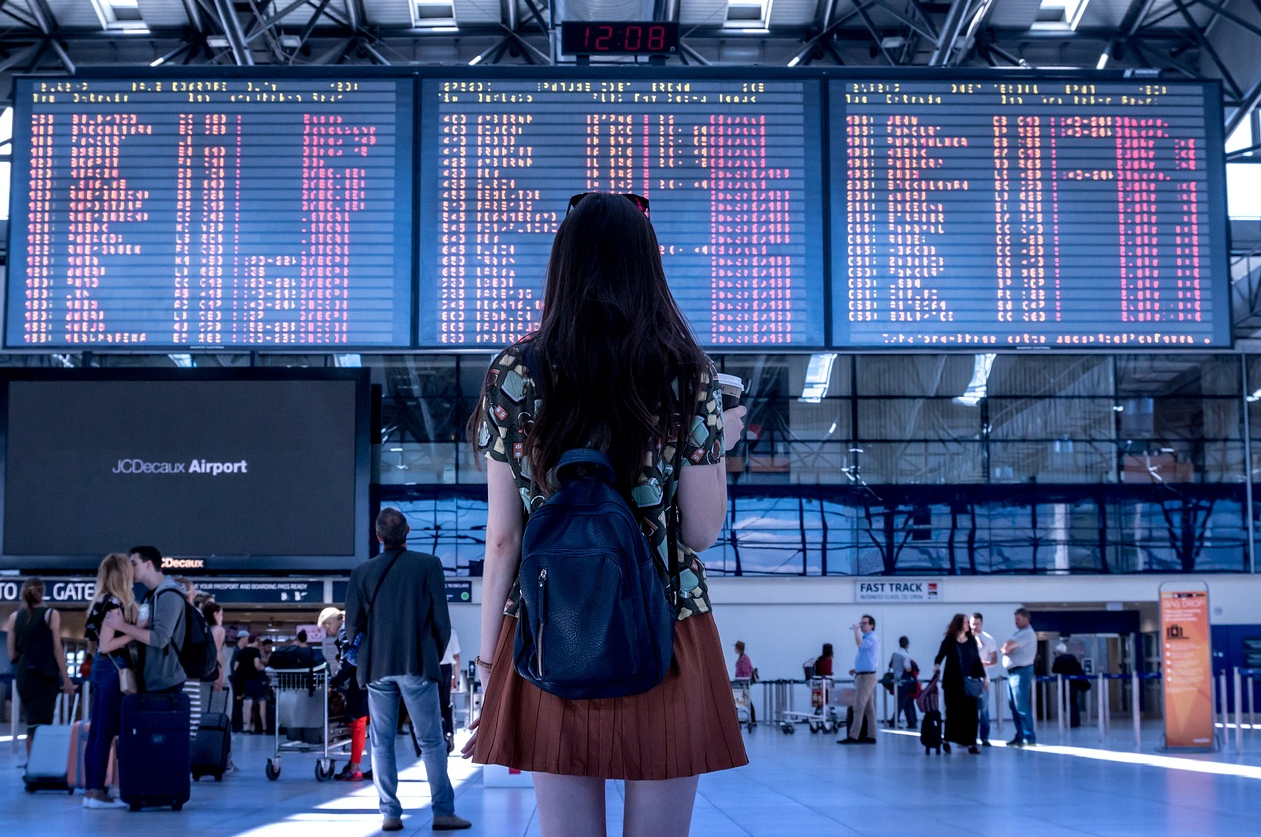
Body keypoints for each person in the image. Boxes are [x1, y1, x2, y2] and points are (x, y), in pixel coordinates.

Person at [464, 191, 749, 837]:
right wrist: (715, 445)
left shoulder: (515, 370)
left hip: (549, 623)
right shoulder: (687, 373)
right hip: (666, 626)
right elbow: (701, 532)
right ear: (647, 265)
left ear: (562, 264)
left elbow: (504, 537)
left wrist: (488, 662)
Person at [346, 508, 470, 832]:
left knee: (381, 742)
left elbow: (351, 628)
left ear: (378, 536)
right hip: (417, 662)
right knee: (431, 741)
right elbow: (442, 622)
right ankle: (443, 812)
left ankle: (390, 814)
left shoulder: (362, 572)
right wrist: (431, 653)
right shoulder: (428, 565)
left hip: (376, 668)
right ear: (408, 531)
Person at [81, 552, 137, 808]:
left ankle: (91, 789)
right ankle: (98, 792)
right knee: (105, 732)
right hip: (114, 668)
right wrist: (135, 633)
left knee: (95, 731)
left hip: (99, 670)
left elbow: (95, 646)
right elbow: (106, 644)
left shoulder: (97, 603)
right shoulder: (115, 603)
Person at [6, 578, 76, 756]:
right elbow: (57, 649)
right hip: (45, 676)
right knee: (43, 722)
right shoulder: (50, 614)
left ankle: (33, 765)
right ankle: (40, 764)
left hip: (25, 676)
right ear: (42, 592)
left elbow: (11, 654)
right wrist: (66, 679)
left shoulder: (14, 617)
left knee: (32, 722)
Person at [105, 547, 186, 697]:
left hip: (164, 682)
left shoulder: (168, 595)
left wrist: (122, 626)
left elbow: (160, 639)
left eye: (134, 564)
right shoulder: (152, 596)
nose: (130, 569)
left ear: (148, 565)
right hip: (153, 680)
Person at [322, 606, 371, 782]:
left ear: (333, 621)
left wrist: (335, 680)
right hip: (370, 677)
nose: (328, 631)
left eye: (327, 627)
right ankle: (364, 765)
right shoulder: (357, 625)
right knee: (369, 725)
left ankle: (355, 768)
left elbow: (349, 658)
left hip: (357, 682)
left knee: (358, 724)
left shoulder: (345, 629)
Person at [932, 614, 985, 754]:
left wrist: (983, 677)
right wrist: (937, 665)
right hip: (952, 683)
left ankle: (971, 743)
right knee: (953, 712)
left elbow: (977, 660)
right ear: (959, 624)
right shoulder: (949, 640)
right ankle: (947, 739)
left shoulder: (972, 640)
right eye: (966, 622)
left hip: (969, 682)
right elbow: (940, 655)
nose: (968, 624)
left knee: (972, 713)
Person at [839, 615, 879, 744]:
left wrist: (856, 631)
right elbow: (867, 658)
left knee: (858, 706)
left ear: (872, 625)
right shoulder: (867, 638)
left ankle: (853, 736)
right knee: (868, 708)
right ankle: (872, 736)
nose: (862, 625)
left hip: (867, 677)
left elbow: (860, 645)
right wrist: (857, 669)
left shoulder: (872, 638)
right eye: (861, 623)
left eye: (865, 623)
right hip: (863, 674)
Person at [1001, 607, 1038, 747]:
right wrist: (1006, 648)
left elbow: (1007, 646)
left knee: (1021, 705)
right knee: (1014, 707)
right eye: (1015, 619)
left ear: (1026, 619)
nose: (1015, 622)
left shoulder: (1027, 634)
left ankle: (1029, 737)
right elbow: (1004, 646)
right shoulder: (1018, 633)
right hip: (1013, 673)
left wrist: (1007, 648)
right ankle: (1020, 736)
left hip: (1021, 672)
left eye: (1018, 619)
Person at [971, 613, 998, 746]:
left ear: (982, 623)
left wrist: (984, 664)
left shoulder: (989, 639)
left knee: (984, 710)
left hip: (982, 679)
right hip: (968, 679)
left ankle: (984, 737)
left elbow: (994, 660)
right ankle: (968, 737)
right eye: (973, 623)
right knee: (969, 710)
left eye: (977, 623)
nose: (975, 626)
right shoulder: (964, 639)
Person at [233, 635, 269, 734]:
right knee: (262, 702)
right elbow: (256, 665)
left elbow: (235, 668)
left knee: (248, 704)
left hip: (246, 681)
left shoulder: (241, 651)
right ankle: (264, 727)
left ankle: (247, 727)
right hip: (256, 680)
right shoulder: (255, 651)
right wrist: (264, 669)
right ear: (255, 641)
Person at [1051, 642, 1088, 728]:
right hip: (1074, 683)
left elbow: (1054, 670)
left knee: (1067, 703)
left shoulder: (1058, 659)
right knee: (1074, 702)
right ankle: (1076, 722)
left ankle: (1070, 721)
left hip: (1063, 684)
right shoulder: (1072, 658)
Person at [887, 636, 917, 730]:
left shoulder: (894, 654)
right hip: (903, 682)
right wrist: (913, 667)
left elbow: (890, 665)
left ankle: (911, 722)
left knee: (906, 702)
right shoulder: (906, 655)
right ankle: (894, 721)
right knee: (901, 703)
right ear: (907, 644)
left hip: (896, 680)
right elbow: (907, 669)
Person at [439, 628, 460, 754]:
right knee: (445, 704)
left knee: (431, 705)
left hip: (430, 669)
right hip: (446, 670)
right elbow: (456, 657)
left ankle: (438, 736)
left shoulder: (425, 628)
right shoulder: (451, 631)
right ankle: (448, 733)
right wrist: (455, 678)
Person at [733, 640, 757, 727]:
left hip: (743, 683)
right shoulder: (741, 658)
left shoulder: (744, 659)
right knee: (744, 700)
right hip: (741, 683)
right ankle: (751, 719)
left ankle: (753, 719)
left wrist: (741, 680)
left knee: (746, 700)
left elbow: (746, 672)